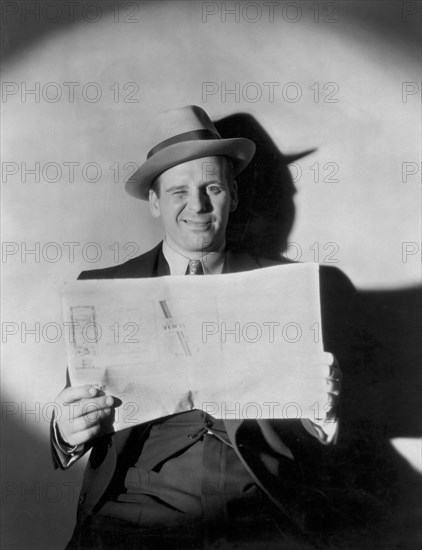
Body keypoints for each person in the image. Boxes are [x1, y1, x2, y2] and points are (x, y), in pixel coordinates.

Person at [52, 105, 354, 550]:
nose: (197, 206)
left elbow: (316, 429)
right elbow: (77, 414)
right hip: (136, 516)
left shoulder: (288, 287)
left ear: (233, 193)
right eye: (179, 192)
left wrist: (323, 412)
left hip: (262, 512)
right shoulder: (103, 289)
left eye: (212, 187)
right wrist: (65, 429)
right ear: (155, 202)